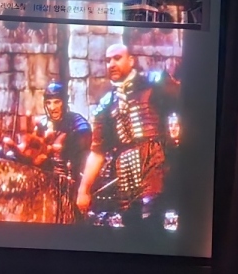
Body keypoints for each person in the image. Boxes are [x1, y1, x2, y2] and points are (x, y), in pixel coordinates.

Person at [76, 44, 181, 226]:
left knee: (151, 222)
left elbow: (187, 103)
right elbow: (97, 151)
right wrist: (83, 189)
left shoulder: (154, 85)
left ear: (131, 60)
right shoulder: (106, 104)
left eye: (117, 58)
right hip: (126, 180)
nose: (111, 64)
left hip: (155, 169)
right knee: (131, 227)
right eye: (107, 60)